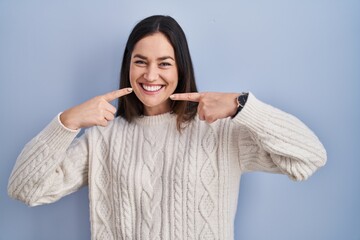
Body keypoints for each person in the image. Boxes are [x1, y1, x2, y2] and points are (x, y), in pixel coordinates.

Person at [8, 15, 327, 240]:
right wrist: (68, 121)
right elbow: (25, 190)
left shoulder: (219, 133)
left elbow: (310, 157)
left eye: (164, 63)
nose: (150, 75)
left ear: (181, 68)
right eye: (140, 61)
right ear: (128, 66)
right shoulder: (103, 139)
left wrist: (242, 106)